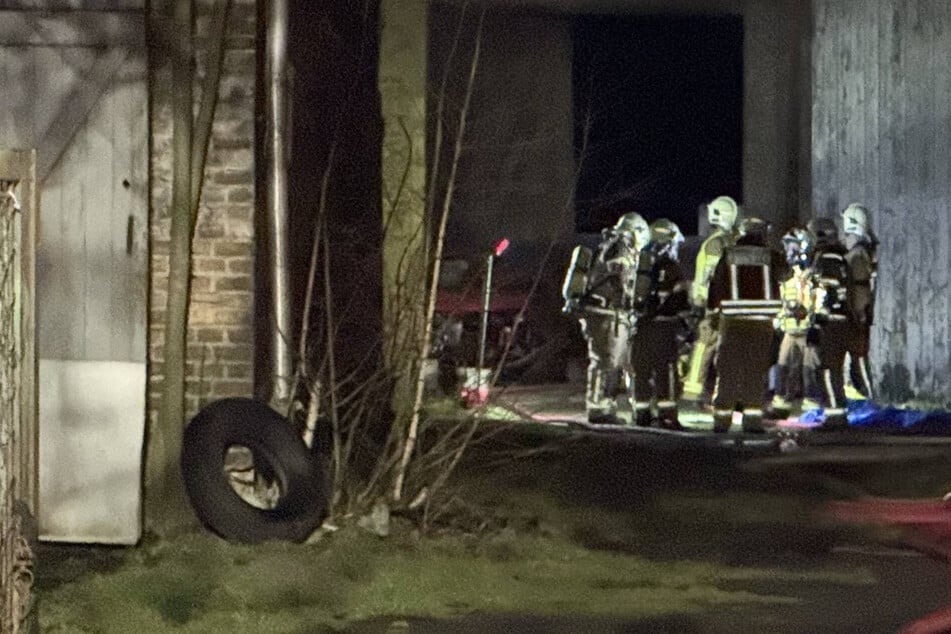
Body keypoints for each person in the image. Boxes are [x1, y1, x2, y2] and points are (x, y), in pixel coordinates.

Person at [562, 212, 648, 423]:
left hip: (608, 315)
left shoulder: (612, 244)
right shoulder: (621, 246)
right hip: (606, 315)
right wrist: (633, 303)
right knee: (605, 362)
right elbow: (623, 279)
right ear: (636, 232)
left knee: (614, 362)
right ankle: (599, 409)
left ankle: (606, 406)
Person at [706, 217, 784, 432]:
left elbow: (716, 284)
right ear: (762, 233)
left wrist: (713, 313)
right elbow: (786, 275)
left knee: (729, 369)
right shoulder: (771, 255)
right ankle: (752, 421)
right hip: (761, 324)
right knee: (755, 371)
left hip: (732, 323)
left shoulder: (729, 254)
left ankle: (722, 420)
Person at [629, 218, 691, 429]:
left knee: (642, 372)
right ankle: (667, 415)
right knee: (666, 372)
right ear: (670, 241)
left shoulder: (638, 263)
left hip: (640, 328)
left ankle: (642, 414)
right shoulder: (673, 267)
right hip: (664, 329)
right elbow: (682, 302)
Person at [682, 195, 739, 407]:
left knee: (709, 349)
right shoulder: (720, 243)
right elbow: (712, 277)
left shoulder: (714, 241)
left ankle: (700, 393)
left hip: (711, 305)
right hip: (715, 306)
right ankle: (695, 394)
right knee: (706, 348)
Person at [770, 227, 821, 419]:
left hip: (807, 330)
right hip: (789, 329)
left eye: (793, 247)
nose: (789, 252)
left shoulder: (813, 275)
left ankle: (811, 407)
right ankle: (781, 405)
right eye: (787, 247)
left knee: (809, 369)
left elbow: (819, 297)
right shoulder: (784, 274)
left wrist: (809, 312)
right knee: (782, 366)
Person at [806, 216, 852, 428]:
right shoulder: (839, 255)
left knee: (827, 368)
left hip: (831, 323)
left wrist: (816, 325)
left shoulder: (829, 257)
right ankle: (837, 412)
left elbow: (825, 292)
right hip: (840, 321)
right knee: (833, 368)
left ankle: (835, 416)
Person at [840, 203, 878, 400]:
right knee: (854, 354)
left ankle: (866, 395)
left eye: (847, 235)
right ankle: (857, 391)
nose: (845, 239)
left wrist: (857, 312)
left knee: (858, 354)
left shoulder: (857, 255)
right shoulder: (864, 252)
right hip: (857, 310)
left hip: (857, 311)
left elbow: (860, 287)